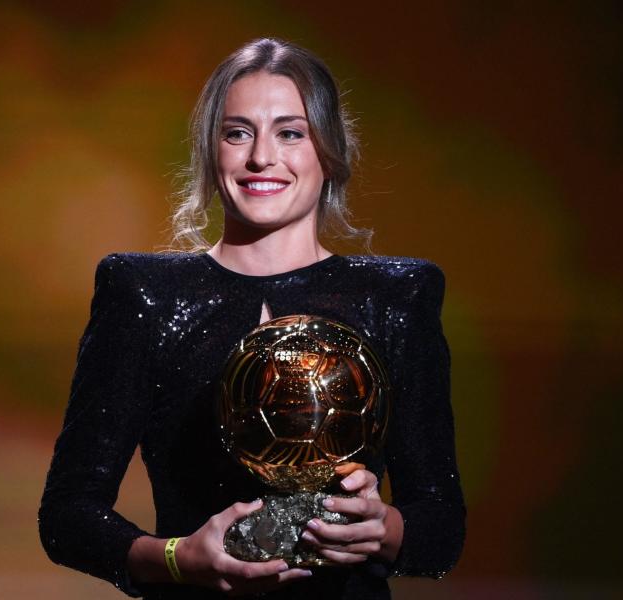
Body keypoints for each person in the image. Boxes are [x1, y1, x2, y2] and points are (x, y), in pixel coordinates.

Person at [38, 38, 465, 599]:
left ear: (328, 151)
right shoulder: (143, 294)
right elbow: (68, 515)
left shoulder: (394, 297)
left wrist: (384, 530)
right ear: (211, 153)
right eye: (238, 132)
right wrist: (176, 558)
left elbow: (441, 525)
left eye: (291, 132)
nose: (262, 157)